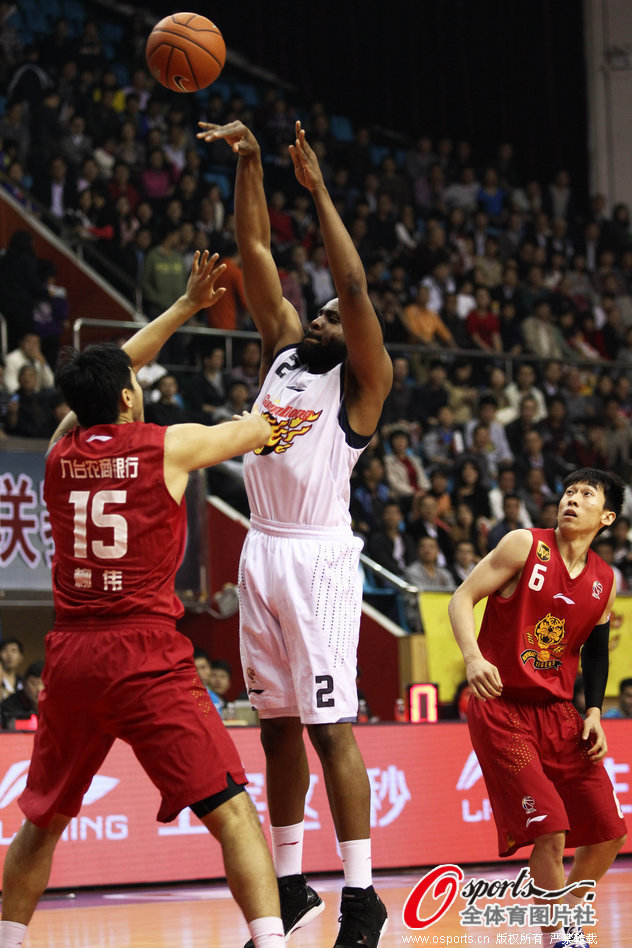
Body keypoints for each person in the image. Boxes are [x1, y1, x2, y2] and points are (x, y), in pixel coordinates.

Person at [0, 250, 284, 948]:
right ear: (130, 396)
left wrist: (185, 307)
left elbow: (101, 380)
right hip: (144, 653)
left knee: (42, 821)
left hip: (68, 656)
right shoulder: (170, 446)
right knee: (233, 812)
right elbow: (258, 430)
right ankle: (274, 942)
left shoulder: (61, 449)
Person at [198, 118, 391, 948]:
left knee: (329, 727)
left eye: (328, 315)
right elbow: (253, 250)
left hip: (316, 556)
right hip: (262, 547)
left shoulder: (363, 385)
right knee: (275, 726)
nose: (317, 315)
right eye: (310, 312)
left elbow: (350, 286)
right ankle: (290, 885)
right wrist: (249, 165)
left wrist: (317, 193)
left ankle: (361, 894)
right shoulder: (282, 352)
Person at [449, 468, 628, 948]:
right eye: (568, 491)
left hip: (559, 713)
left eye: (586, 495)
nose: (572, 499)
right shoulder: (524, 545)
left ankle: (567, 910)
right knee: (550, 830)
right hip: (500, 705)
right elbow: (462, 598)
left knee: (610, 832)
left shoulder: (605, 581)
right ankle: (558, 938)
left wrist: (593, 710)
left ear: (607, 517)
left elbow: (595, 650)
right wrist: (473, 657)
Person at [0, 661, 44, 731]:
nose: (39, 689)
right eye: (35, 684)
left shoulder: (56, 705)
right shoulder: (9, 707)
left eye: (44, 684)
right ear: (24, 684)